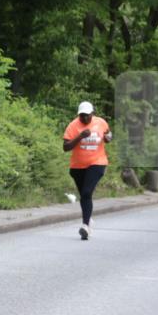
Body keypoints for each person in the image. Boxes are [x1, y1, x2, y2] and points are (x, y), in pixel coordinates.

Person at [63, 101, 112, 240]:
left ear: (92, 113)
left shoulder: (101, 122)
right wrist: (80, 136)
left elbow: (108, 136)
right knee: (85, 196)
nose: (84, 119)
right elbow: (65, 147)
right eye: (82, 116)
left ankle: (85, 226)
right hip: (77, 166)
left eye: (87, 116)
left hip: (97, 162)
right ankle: (88, 219)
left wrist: (109, 138)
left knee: (86, 192)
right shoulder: (73, 126)